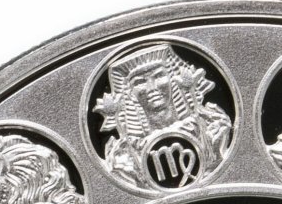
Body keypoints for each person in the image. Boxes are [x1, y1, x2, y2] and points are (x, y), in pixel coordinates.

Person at [95, 43, 232, 188]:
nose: (152, 88)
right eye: (140, 82)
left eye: (159, 76)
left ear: (172, 79)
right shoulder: (122, 156)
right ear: (129, 93)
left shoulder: (214, 127)